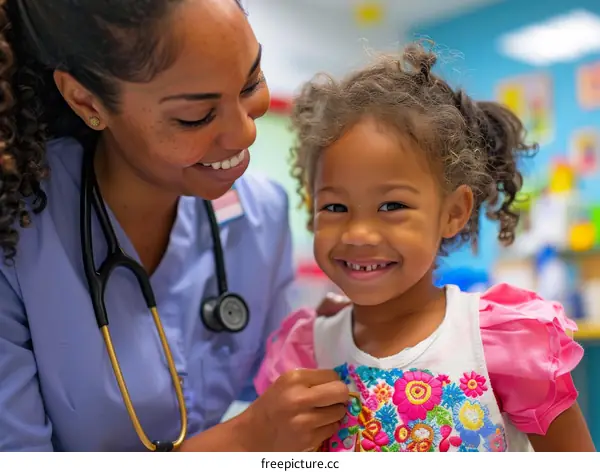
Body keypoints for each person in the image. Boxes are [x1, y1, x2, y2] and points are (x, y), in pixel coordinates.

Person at [0, 0, 351, 452]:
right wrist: (244, 440)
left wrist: (324, 339)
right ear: (86, 100)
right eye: (195, 116)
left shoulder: (262, 214)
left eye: (251, 83)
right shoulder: (18, 229)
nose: (245, 134)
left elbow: (272, 377)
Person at [254, 42, 596, 452]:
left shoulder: (503, 344)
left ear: (453, 212)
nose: (358, 233)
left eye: (392, 205)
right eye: (335, 206)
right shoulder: (303, 351)